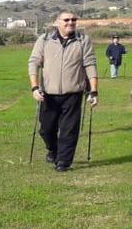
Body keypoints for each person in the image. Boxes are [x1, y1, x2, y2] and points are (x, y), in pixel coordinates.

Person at [29, 11, 98, 172]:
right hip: (48, 94)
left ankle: (63, 162)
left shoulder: (83, 41)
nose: (70, 22)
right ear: (57, 22)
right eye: (66, 20)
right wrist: (34, 87)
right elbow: (34, 63)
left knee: (69, 130)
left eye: (74, 19)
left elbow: (90, 65)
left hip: (73, 93)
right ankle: (53, 150)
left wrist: (93, 91)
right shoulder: (44, 40)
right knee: (46, 129)